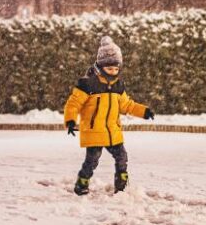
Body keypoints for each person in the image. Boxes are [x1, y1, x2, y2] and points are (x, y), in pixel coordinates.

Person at [63, 36, 154, 195]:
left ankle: (121, 183)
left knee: (122, 157)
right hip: (94, 131)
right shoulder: (88, 84)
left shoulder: (118, 85)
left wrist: (144, 111)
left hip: (113, 132)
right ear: (100, 66)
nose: (113, 72)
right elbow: (74, 104)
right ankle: (81, 184)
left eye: (116, 69)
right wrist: (70, 121)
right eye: (109, 69)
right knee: (92, 161)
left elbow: (127, 105)